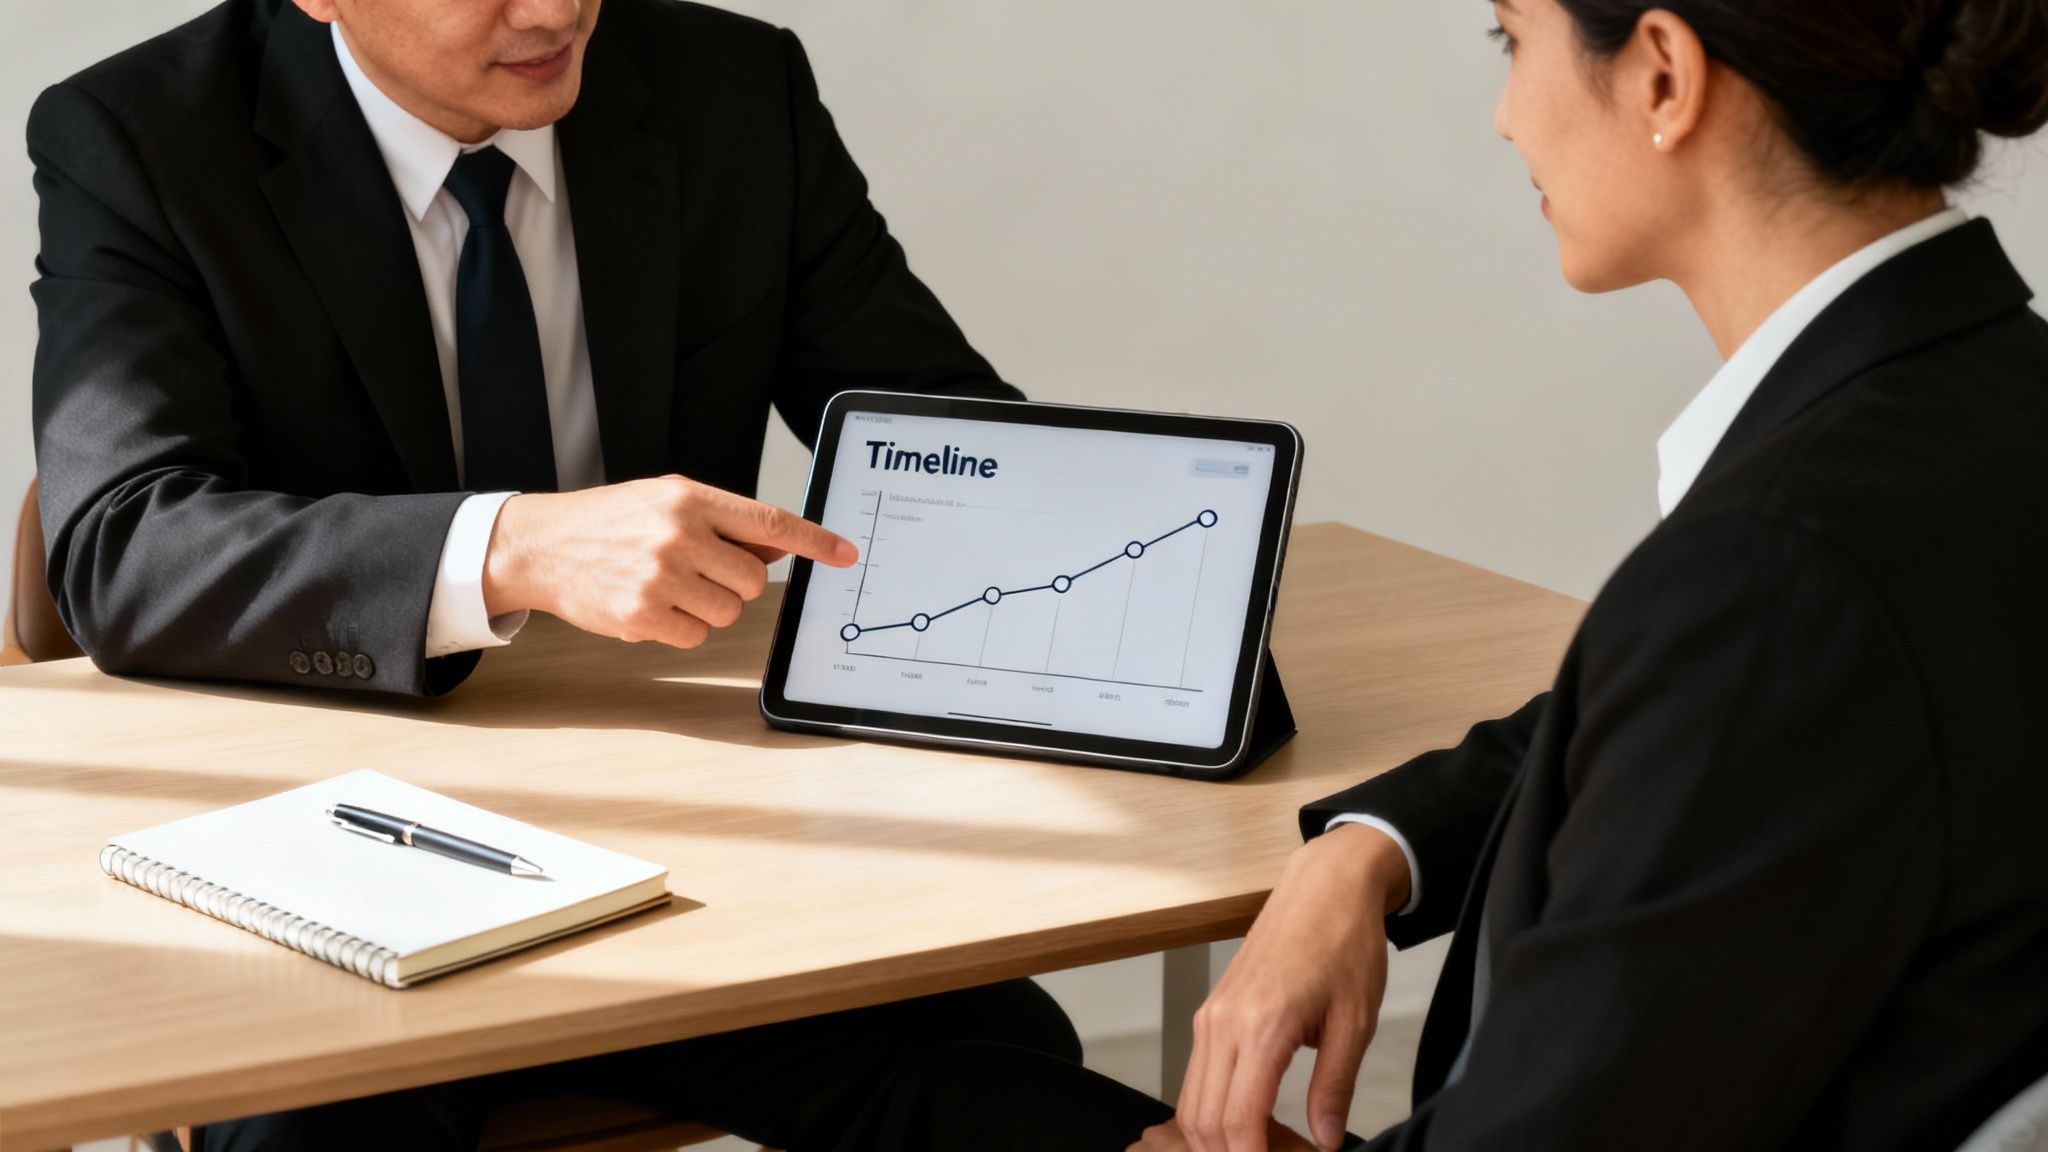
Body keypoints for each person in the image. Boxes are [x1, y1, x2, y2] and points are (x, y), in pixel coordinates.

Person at [834, 0, 2048, 1149]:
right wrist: (1368, 845)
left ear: (1662, 77)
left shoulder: (1773, 571)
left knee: (915, 1098)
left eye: (1509, 37)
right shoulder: (1981, 403)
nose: (1503, 113)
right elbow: (1704, 743)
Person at [27, 0, 1079, 1148]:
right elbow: (123, 546)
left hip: (691, 860)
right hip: (328, 874)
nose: (556, 9)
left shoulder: (732, 88)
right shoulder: (140, 135)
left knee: (1000, 1054)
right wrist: (512, 549)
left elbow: (945, 443)